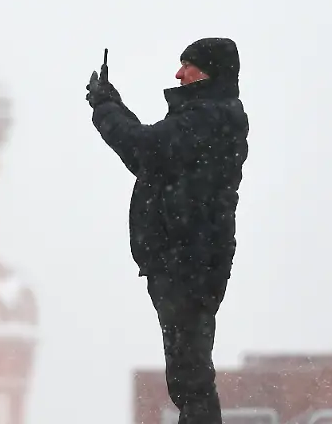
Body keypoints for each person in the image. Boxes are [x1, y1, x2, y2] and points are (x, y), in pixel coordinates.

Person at [85, 38, 249, 424]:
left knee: (190, 378)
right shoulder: (211, 116)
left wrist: (106, 107)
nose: (178, 74)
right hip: (189, 262)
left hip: (187, 264)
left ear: (208, 73)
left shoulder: (209, 118)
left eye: (187, 66)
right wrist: (114, 106)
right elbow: (153, 152)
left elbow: (146, 150)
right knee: (188, 376)